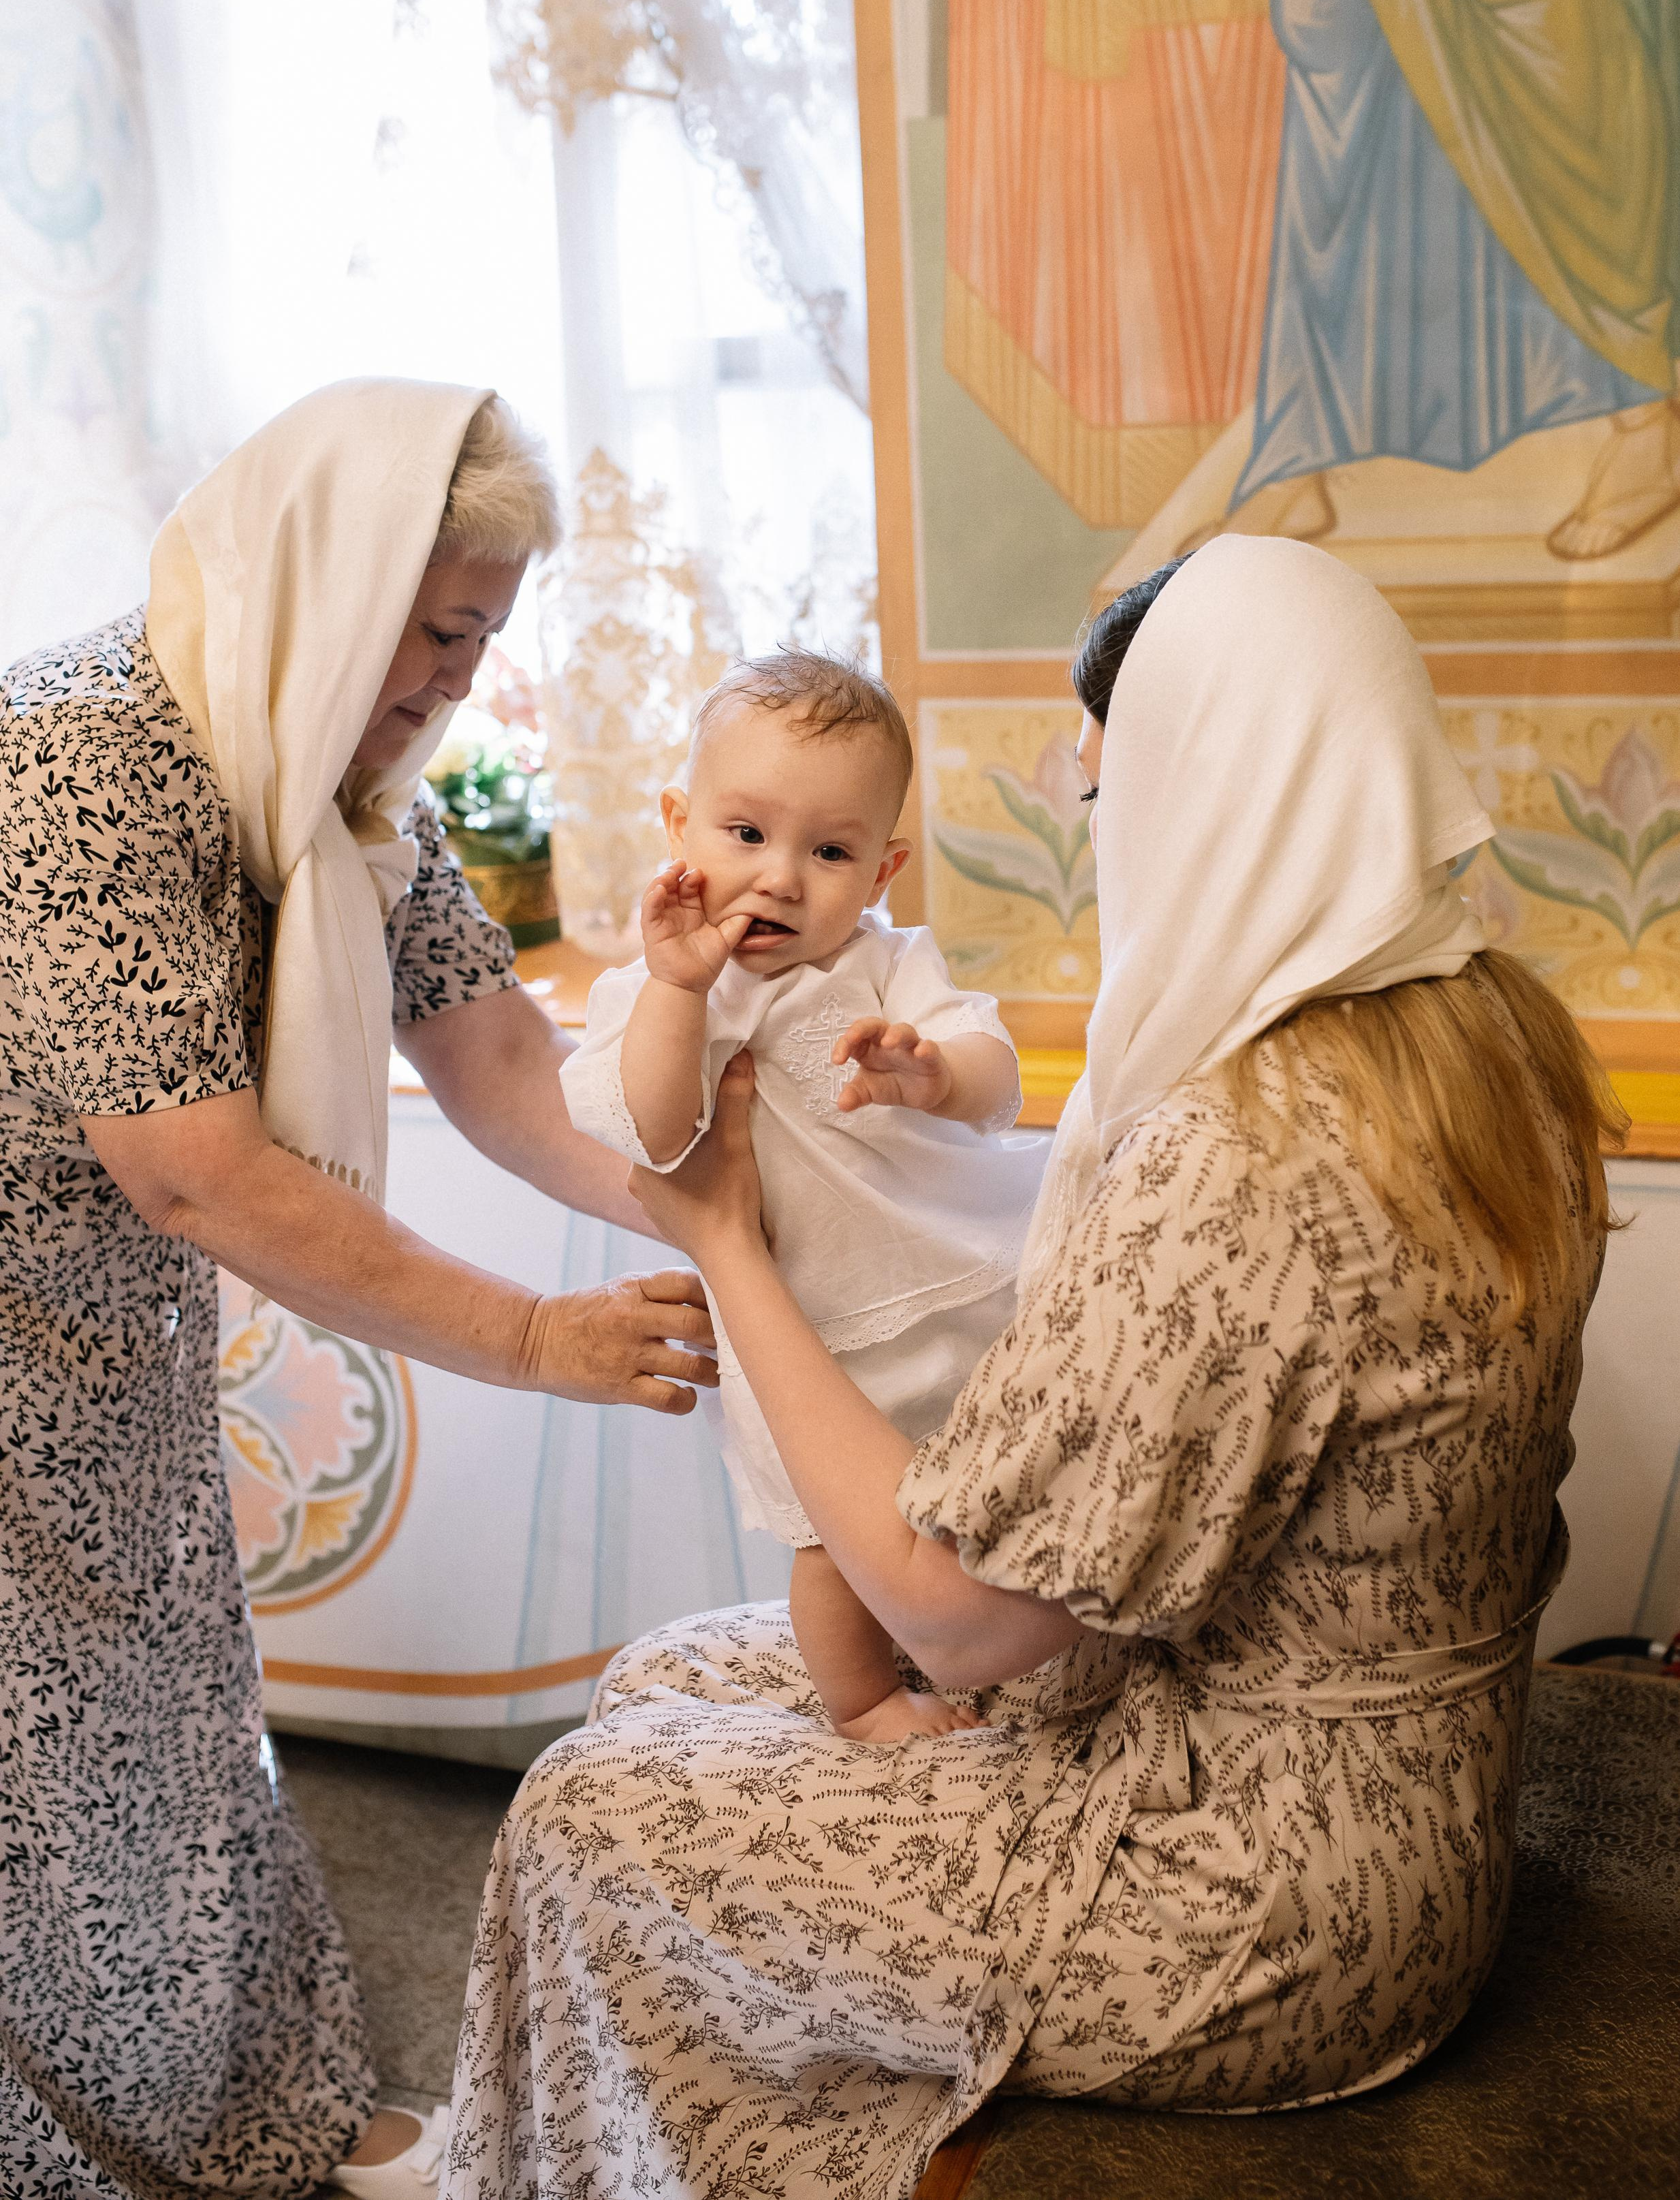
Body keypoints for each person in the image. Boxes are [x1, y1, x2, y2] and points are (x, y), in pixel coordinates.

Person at [442, 535, 1619, 2200]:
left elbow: (963, 1618)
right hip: (1390, 1788)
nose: (1105, 832)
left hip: (1263, 1880)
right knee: (666, 1682)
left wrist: (721, 1236)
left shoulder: (1243, 1150)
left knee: (589, 1808)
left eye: (1103, 794)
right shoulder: (1488, 1026)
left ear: (1200, 790)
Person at [0, 380, 716, 2200]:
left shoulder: (329, 769)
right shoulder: (82, 760)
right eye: (444, 630)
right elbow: (198, 1167)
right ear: (328, 580)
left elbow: (488, 1051)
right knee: (49, 1755)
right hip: (40, 1308)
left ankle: (238, 2105)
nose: (456, 681)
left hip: (101, 1326)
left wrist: (707, 1217)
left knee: (157, 1718)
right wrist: (540, 1334)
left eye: (483, 640)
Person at [560, 650, 1048, 1742]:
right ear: (678, 825)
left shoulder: (887, 966)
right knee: (834, 1534)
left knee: (996, 1476)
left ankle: (1009, 1654)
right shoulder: (654, 990)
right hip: (806, 1338)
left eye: (829, 851)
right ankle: (866, 1699)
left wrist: (932, 1070)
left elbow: (997, 1072)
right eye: (746, 835)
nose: (781, 877)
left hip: (961, 1279)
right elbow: (654, 1129)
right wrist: (681, 991)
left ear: (882, 871)